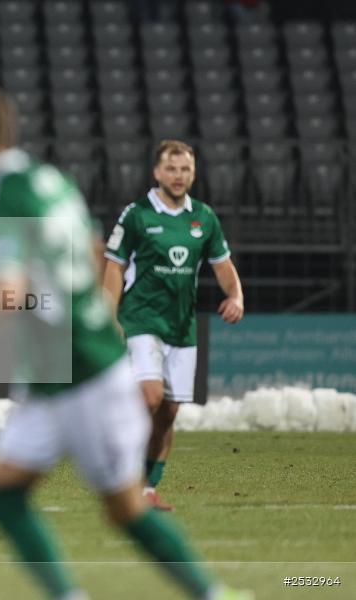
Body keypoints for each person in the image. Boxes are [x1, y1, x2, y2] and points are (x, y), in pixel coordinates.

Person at [0, 89, 251, 600]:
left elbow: (8, 289)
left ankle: (213, 593)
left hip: (83, 373)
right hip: (55, 371)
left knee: (124, 509)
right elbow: (94, 250)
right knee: (5, 495)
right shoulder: (47, 178)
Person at [102, 140, 244, 512]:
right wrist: (108, 315)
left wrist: (236, 296)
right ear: (157, 172)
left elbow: (222, 265)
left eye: (185, 169)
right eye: (171, 168)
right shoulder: (137, 215)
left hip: (181, 327)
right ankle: (123, 476)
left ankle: (148, 488)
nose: (178, 176)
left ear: (193, 173)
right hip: (141, 319)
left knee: (169, 413)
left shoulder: (204, 218)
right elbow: (114, 266)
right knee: (148, 396)